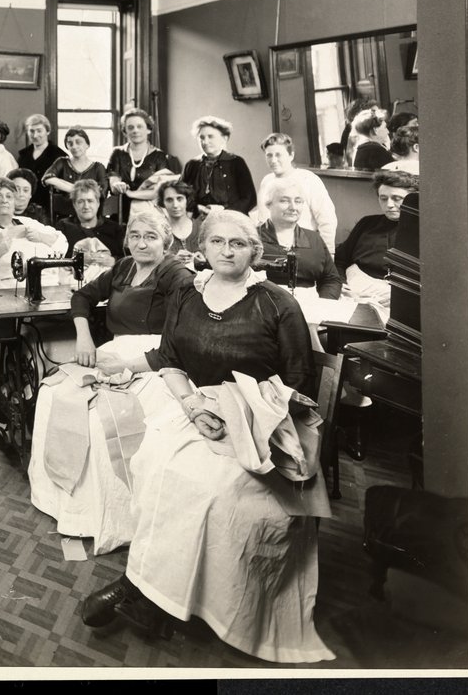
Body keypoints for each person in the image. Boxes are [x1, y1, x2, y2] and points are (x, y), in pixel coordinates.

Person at [80, 210, 334, 664]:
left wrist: (249, 417)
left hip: (264, 423)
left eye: (237, 243)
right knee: (154, 465)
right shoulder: (190, 293)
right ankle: (153, 592)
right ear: (203, 248)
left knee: (207, 492)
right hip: (200, 408)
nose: (226, 251)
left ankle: (144, 595)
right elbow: (170, 358)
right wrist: (194, 407)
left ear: (255, 251)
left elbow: (299, 387)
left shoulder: (278, 304)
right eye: (216, 242)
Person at [28, 210, 194, 551]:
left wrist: (130, 366)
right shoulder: (123, 267)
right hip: (115, 351)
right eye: (135, 236)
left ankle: (105, 518)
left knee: (96, 416)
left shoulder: (176, 274)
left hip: (155, 362)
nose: (142, 243)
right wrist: (84, 336)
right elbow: (82, 297)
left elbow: (180, 341)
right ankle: (62, 503)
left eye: (150, 236)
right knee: (53, 393)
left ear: (166, 240)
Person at [0, 177, 68, 288]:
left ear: (14, 203)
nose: (4, 200)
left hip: (50, 287)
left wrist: (41, 237)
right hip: (4, 293)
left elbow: (62, 244)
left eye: (9, 196)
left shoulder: (29, 223)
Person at [334, 170, 418, 306]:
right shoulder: (367, 223)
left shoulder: (425, 232)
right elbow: (340, 260)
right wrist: (340, 284)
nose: (389, 205)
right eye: (383, 198)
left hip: (400, 298)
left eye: (397, 199)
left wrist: (403, 298)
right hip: (353, 291)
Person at [256, 174, 344, 299]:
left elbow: (330, 279)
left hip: (309, 308)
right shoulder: (252, 239)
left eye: (298, 201)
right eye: (284, 200)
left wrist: (324, 305)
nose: (293, 207)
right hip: (264, 306)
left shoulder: (314, 239)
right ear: (268, 204)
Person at [253, 133, 338, 251]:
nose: (273, 160)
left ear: (291, 155)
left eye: (278, 155)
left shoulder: (309, 179)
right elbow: (263, 218)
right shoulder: (267, 181)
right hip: (271, 248)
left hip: (303, 247)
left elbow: (327, 219)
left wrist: (328, 253)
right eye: (269, 155)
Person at [106, 108, 181, 224]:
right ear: (125, 131)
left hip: (150, 215)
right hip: (121, 215)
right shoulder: (117, 154)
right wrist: (117, 185)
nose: (135, 131)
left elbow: (159, 190)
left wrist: (131, 193)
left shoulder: (159, 156)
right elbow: (113, 184)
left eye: (139, 126)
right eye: (130, 127)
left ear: (148, 129)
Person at [180, 116, 257, 216]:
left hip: (231, 219)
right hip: (199, 219)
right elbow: (181, 195)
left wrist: (224, 212)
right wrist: (196, 208)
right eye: (201, 138)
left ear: (224, 138)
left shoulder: (236, 162)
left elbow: (249, 199)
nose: (205, 142)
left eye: (210, 136)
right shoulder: (192, 164)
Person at [56, 178, 123, 277]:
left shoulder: (114, 228)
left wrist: (114, 261)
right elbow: (57, 258)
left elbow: (127, 258)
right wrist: (76, 260)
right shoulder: (64, 227)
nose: (86, 206)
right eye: (81, 201)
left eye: (90, 201)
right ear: (74, 205)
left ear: (98, 203)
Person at [42, 126, 109, 224]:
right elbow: (47, 178)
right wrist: (75, 189)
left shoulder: (98, 167)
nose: (74, 146)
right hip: (64, 218)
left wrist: (62, 184)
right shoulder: (62, 162)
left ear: (87, 144)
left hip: (92, 218)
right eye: (70, 143)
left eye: (78, 142)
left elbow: (102, 192)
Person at [15, 113, 66, 210]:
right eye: (32, 131)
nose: (35, 135)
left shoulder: (59, 155)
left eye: (39, 131)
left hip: (49, 207)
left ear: (47, 131)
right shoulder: (23, 155)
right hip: (25, 206)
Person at [158, 179, 204, 261]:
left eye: (179, 199)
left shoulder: (202, 228)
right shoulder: (159, 231)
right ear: (163, 203)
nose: (175, 205)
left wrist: (204, 262)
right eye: (169, 200)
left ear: (187, 200)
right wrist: (172, 261)